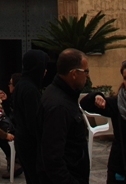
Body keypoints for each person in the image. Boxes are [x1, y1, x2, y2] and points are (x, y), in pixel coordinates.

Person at [37, 48, 90, 184]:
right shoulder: (59, 106)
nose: (87, 76)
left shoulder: (63, 96)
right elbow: (53, 157)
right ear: (74, 74)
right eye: (86, 71)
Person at [12, 50, 48, 184]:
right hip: (30, 143)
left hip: (22, 139)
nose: (45, 71)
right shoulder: (30, 90)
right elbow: (33, 121)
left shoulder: (21, 85)